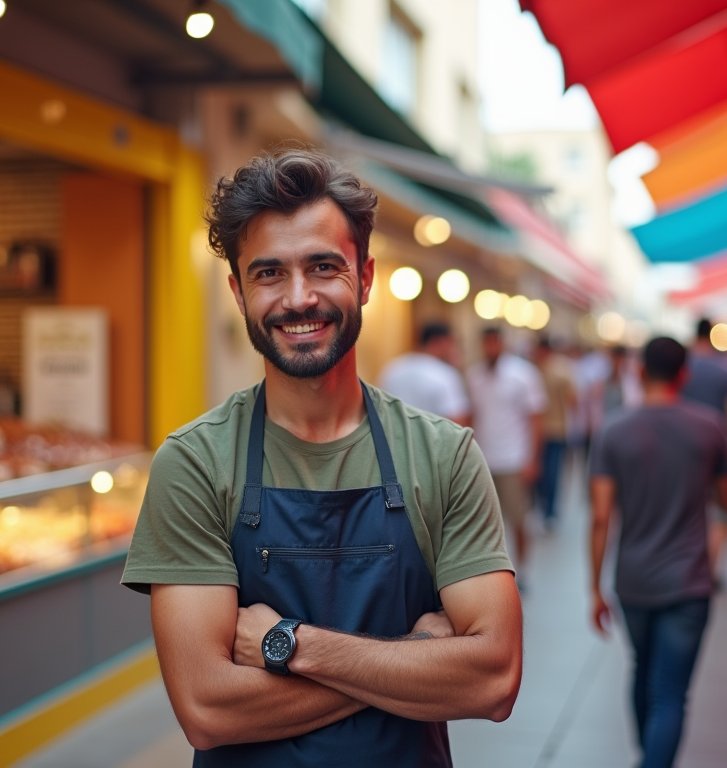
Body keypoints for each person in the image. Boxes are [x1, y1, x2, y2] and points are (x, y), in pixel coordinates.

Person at [121, 149, 522, 767]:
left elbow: (493, 679)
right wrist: (413, 655)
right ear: (238, 292)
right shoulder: (196, 462)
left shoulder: (443, 454)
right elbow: (207, 709)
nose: (299, 298)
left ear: (364, 278)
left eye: (322, 266)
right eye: (269, 273)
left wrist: (288, 645)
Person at [590, 337, 727, 768]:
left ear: (639, 372)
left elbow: (601, 517)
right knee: (671, 690)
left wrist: (594, 586)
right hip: (689, 579)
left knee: (642, 667)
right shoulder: (709, 426)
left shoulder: (614, 429)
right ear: (684, 375)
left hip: (633, 578)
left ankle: (646, 755)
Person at [467, 327, 547, 580]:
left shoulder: (523, 374)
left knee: (518, 518)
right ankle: (493, 570)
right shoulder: (474, 376)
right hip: (483, 458)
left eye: (495, 343)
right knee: (485, 520)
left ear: (503, 343)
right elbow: (471, 416)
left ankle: (521, 570)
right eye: (487, 343)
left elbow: (535, 419)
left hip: (514, 458)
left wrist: (533, 459)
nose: (491, 348)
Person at [682, 318, 727, 577]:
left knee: (689, 509)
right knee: (724, 509)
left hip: (682, 449)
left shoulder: (682, 367)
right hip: (719, 450)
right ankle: (710, 565)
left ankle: (690, 563)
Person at [378, 322, 470, 425]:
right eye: (450, 343)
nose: (453, 349)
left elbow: (379, 409)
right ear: (436, 341)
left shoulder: (393, 368)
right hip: (434, 440)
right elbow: (457, 421)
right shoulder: (445, 374)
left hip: (393, 438)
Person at [533, 336, 576, 528]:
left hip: (551, 429)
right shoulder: (559, 370)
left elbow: (572, 399)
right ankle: (547, 510)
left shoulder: (539, 371)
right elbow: (573, 400)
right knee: (547, 472)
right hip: (551, 429)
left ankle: (547, 510)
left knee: (548, 472)